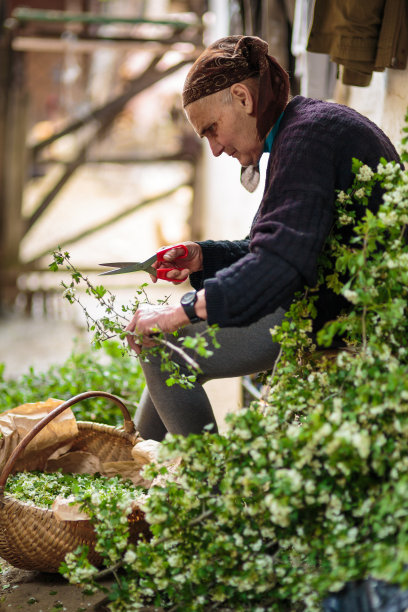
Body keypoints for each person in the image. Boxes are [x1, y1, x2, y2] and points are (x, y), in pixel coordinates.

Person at [125, 35, 400, 442]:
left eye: (212, 130)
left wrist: (179, 311)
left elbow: (277, 265)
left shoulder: (310, 137)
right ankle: (134, 463)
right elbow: (275, 247)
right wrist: (203, 258)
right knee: (165, 345)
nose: (216, 149)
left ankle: (208, 493)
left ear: (242, 97)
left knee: (163, 349)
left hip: (347, 316)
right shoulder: (300, 130)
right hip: (320, 299)